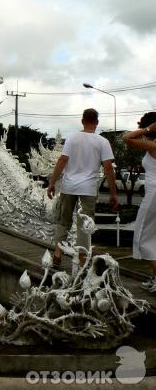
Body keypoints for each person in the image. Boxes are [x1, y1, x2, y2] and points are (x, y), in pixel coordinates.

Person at [47, 108, 118, 265]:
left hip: (68, 187)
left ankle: (57, 255)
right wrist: (113, 194)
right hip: (88, 189)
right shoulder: (102, 142)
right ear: (97, 123)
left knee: (63, 222)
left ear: (82, 121)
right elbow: (108, 168)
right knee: (85, 225)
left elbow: (62, 160)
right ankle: (82, 259)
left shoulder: (72, 138)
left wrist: (52, 183)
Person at [122, 112, 156, 291]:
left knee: (142, 236)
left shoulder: (152, 145)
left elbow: (126, 138)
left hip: (154, 195)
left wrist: (149, 127)